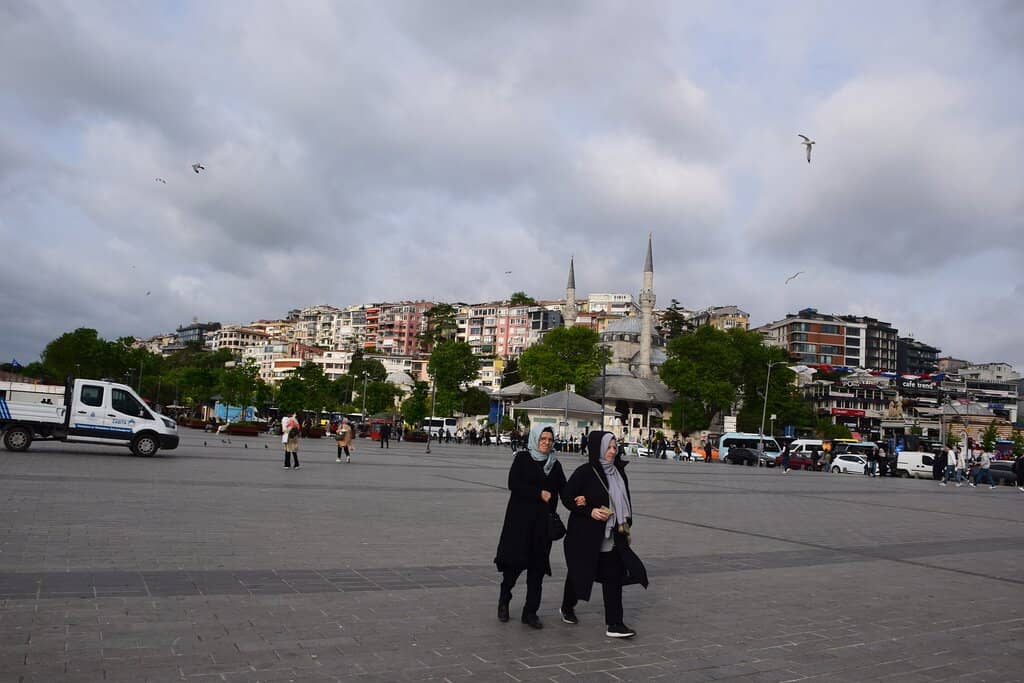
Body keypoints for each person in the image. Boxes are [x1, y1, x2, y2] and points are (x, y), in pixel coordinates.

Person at [560, 431, 639, 639]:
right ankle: (567, 606)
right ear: (599, 449)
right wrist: (589, 510)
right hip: (586, 535)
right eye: (609, 447)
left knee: (613, 577)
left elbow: (626, 502)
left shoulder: (619, 472)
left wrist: (626, 525)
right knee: (579, 572)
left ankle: (615, 624)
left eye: (615, 447)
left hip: (613, 534)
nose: (613, 451)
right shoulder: (585, 472)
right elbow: (567, 497)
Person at [494, 425, 567, 630]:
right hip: (520, 525)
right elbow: (513, 484)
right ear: (535, 439)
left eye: (550, 439)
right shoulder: (522, 459)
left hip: (542, 528)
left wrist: (579, 500)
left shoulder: (555, 465)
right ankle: (504, 599)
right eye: (543, 438)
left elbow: (565, 489)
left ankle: (530, 612)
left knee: (537, 571)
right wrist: (538, 493)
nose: (546, 442)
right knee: (513, 568)